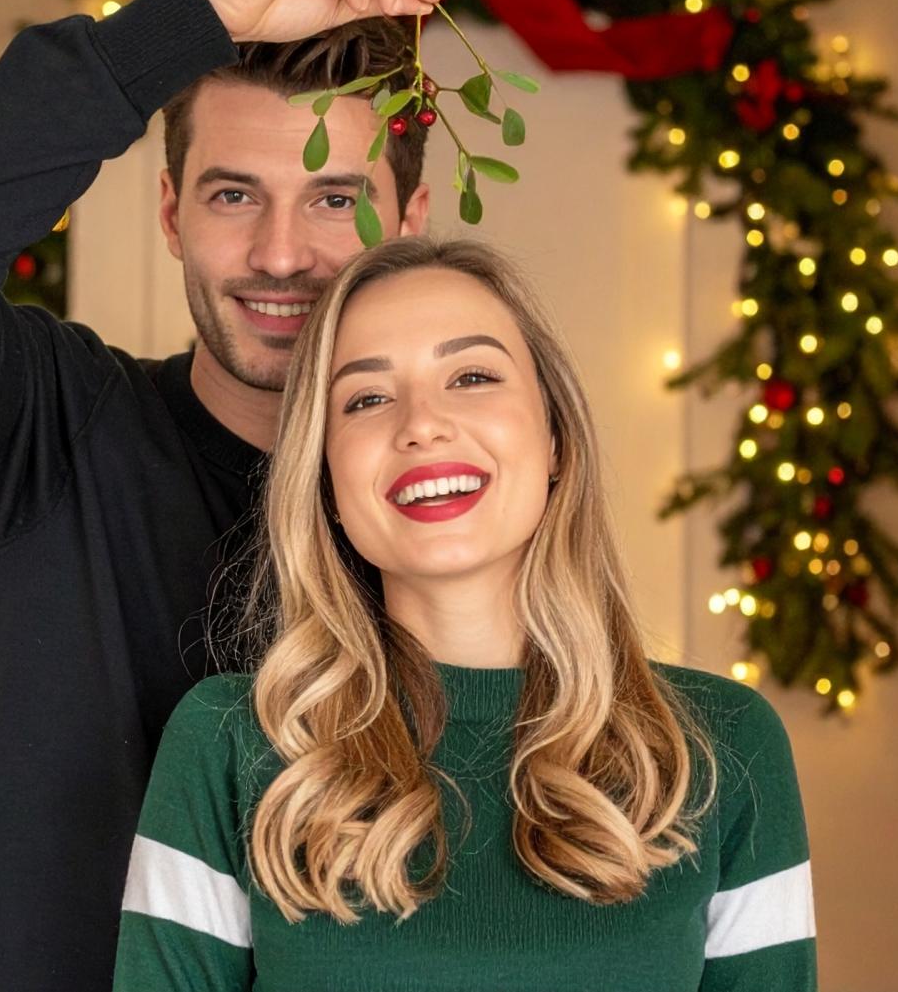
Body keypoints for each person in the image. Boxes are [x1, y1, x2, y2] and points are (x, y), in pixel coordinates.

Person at [0, 0, 444, 987]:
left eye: (335, 197)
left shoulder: (455, 503)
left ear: (409, 220)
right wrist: (193, 17)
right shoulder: (44, 436)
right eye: (236, 194)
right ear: (172, 210)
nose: (281, 255)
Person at [115, 237, 817, 991]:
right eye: (367, 398)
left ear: (554, 437)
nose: (422, 424)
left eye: (472, 376)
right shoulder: (229, 745)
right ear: (324, 477)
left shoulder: (724, 747)